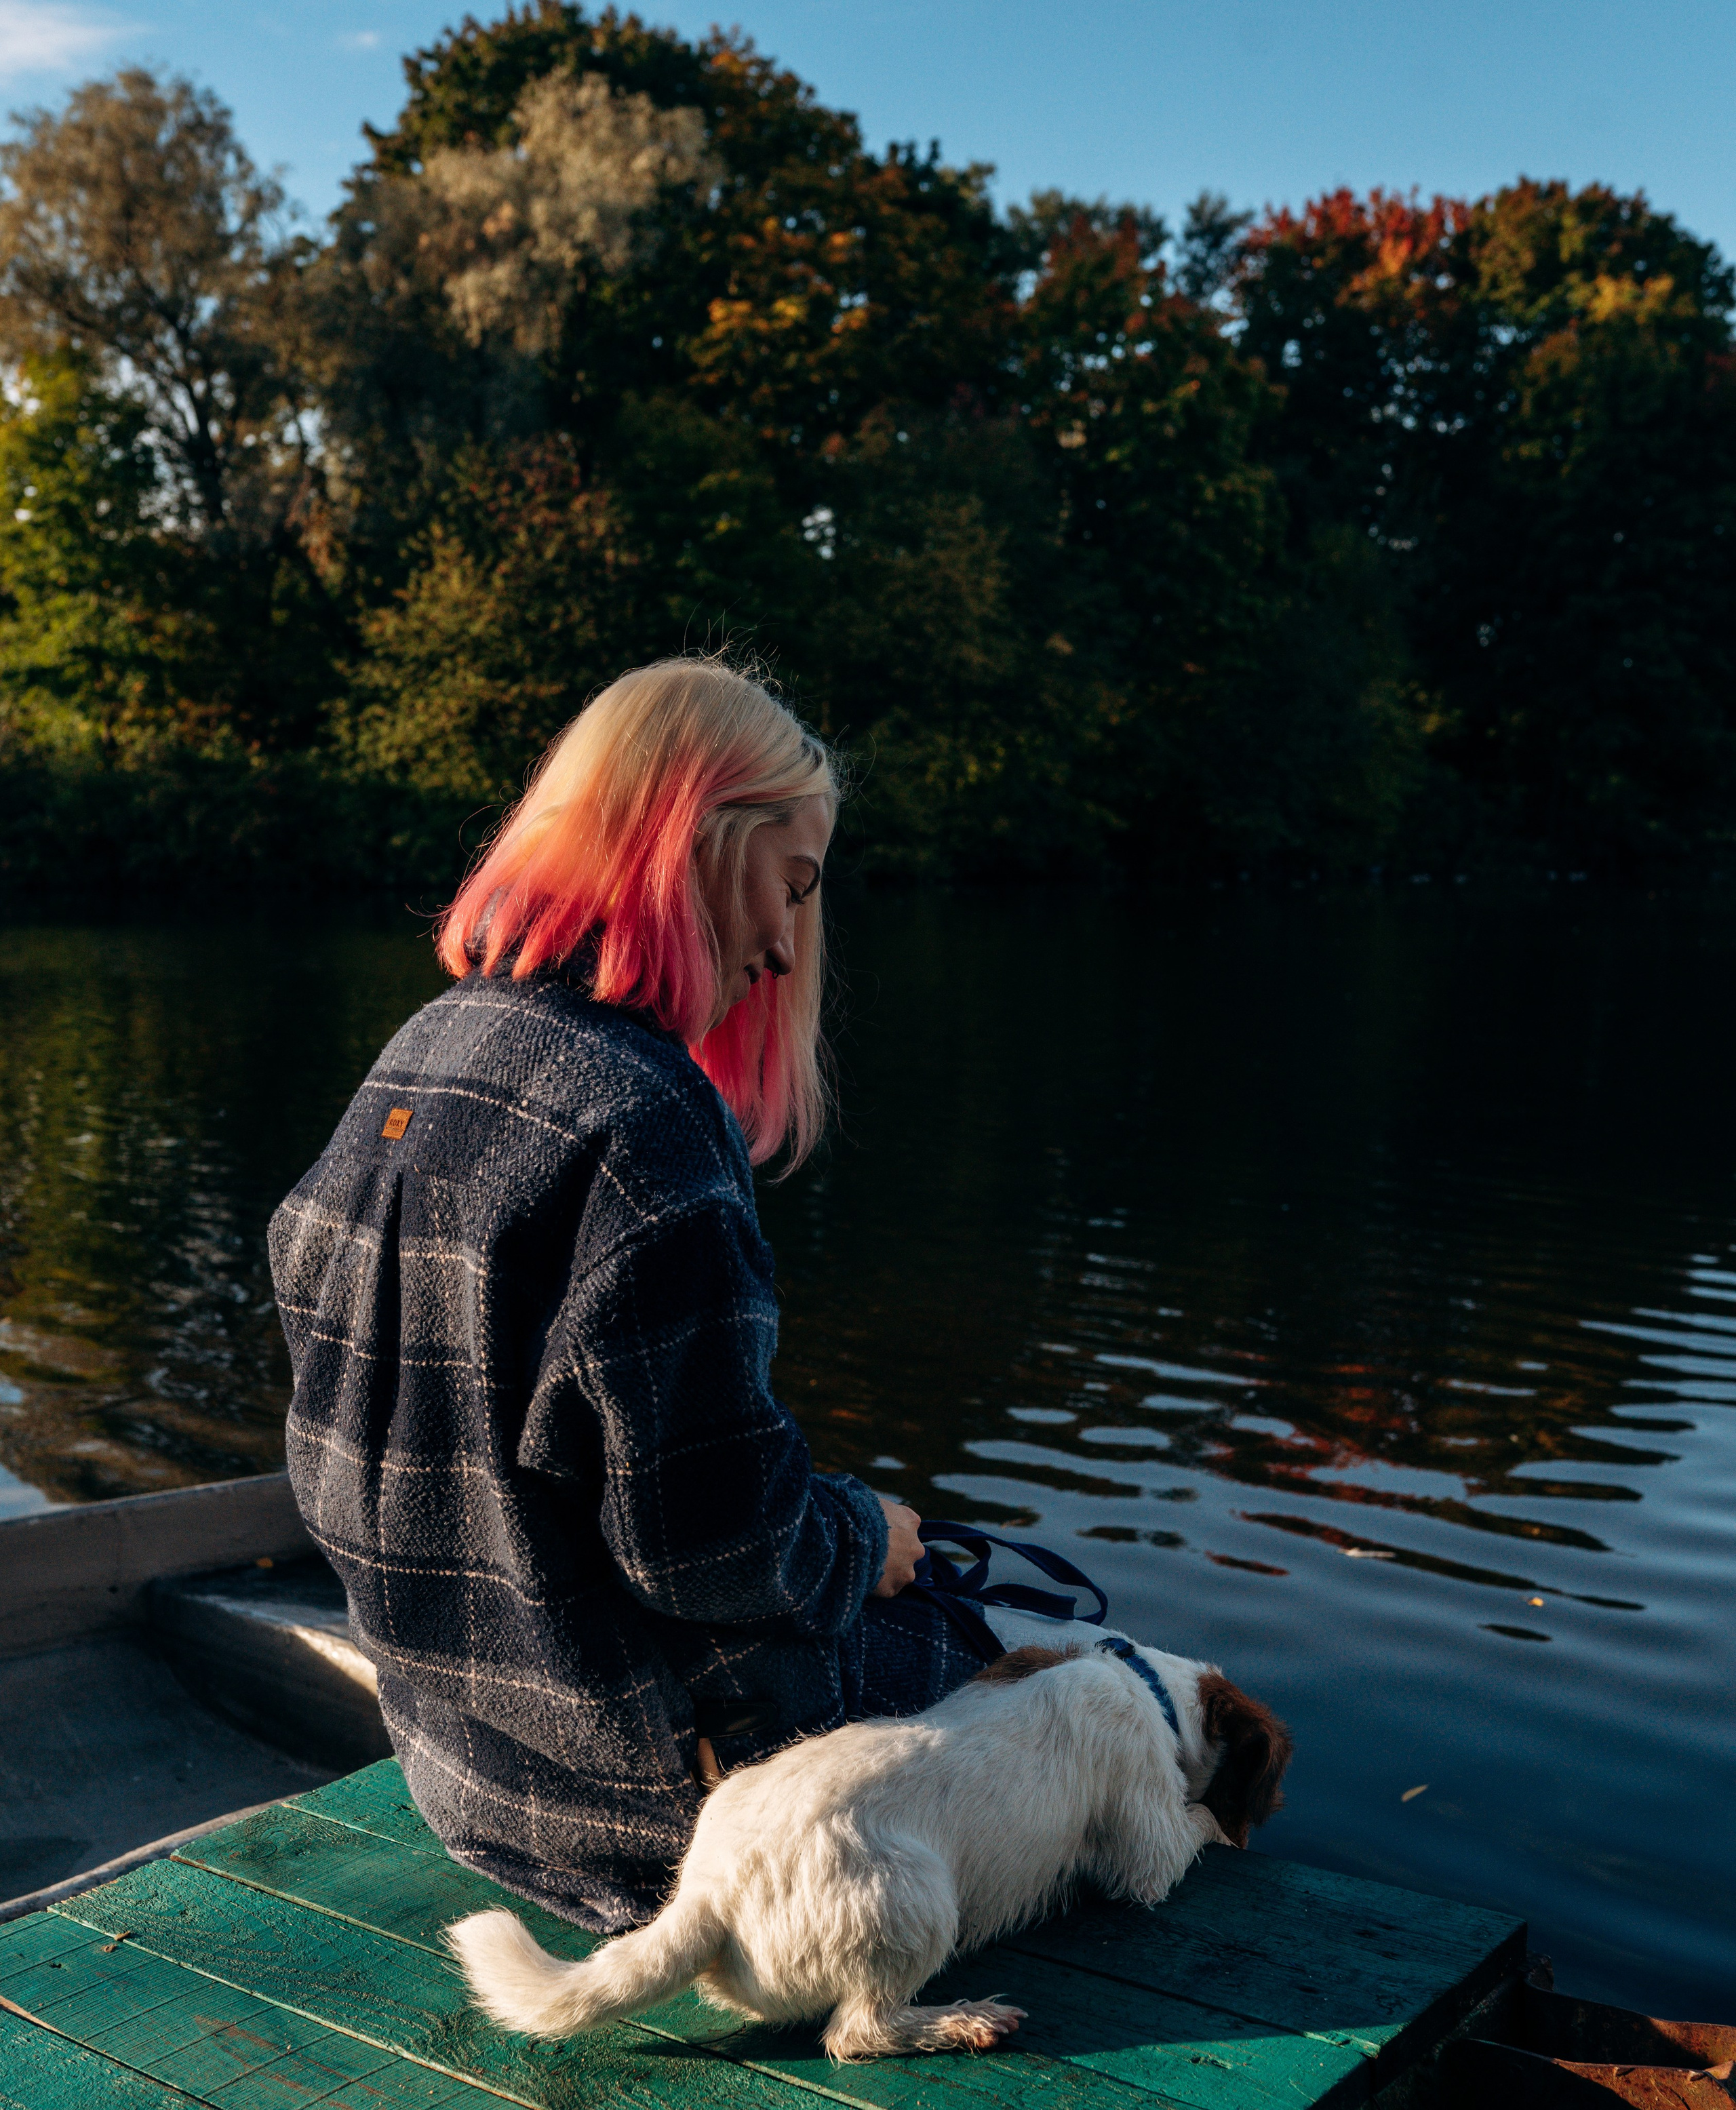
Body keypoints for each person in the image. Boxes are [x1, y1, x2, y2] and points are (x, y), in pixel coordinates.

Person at [269, 658, 984, 1931]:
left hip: (470, 1776)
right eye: (794, 885)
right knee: (1046, 1672)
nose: (783, 944)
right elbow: (719, 1548)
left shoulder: (420, 1050)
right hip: (665, 1815)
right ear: (702, 840)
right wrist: (869, 1536)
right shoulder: (646, 1121)